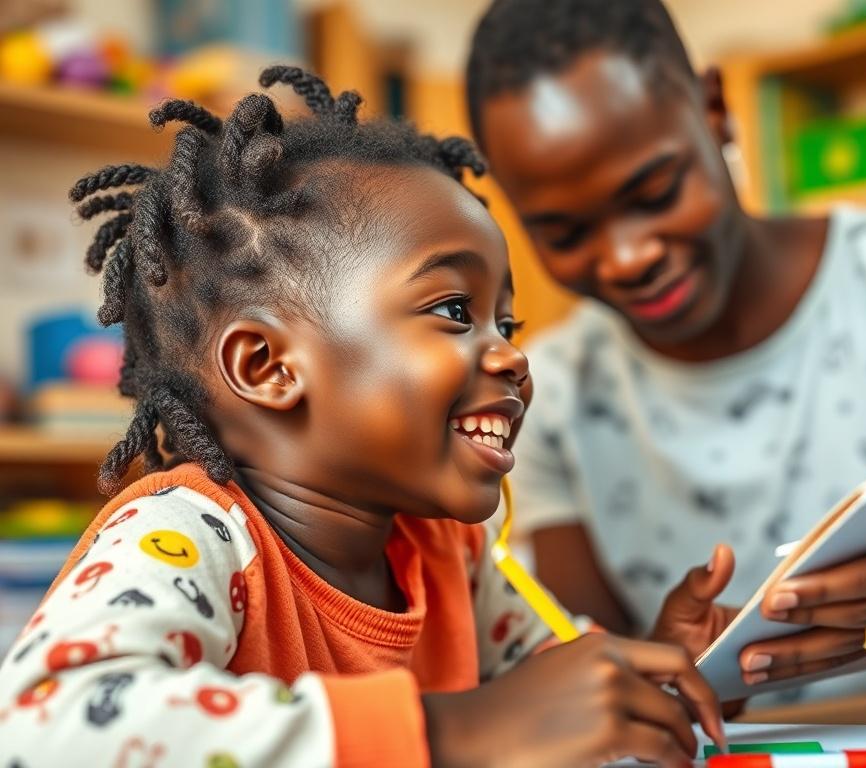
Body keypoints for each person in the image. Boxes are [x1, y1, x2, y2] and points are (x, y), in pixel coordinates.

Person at [0, 67, 726, 767]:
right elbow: (39, 730)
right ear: (267, 367)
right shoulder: (189, 538)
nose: (511, 356)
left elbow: (555, 690)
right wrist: (457, 734)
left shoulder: (449, 553)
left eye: (508, 323)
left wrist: (655, 672)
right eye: (453, 312)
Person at [466, 0, 866, 703]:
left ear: (715, 110)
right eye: (566, 233)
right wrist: (677, 675)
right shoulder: (547, 396)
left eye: (656, 191)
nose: (628, 256)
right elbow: (597, 682)